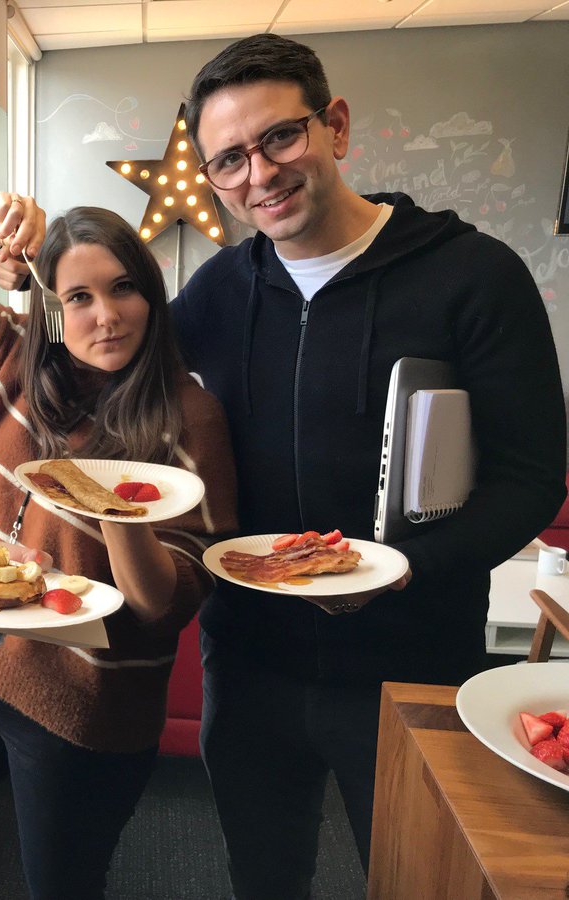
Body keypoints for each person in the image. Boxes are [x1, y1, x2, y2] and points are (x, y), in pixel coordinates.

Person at [171, 33, 568, 899]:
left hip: (413, 656)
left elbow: (534, 476)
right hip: (249, 662)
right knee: (263, 876)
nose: (259, 175)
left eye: (280, 138)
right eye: (228, 160)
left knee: (421, 876)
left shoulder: (472, 276)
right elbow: (108, 370)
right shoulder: (220, 289)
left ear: (336, 126)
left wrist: (408, 571)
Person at [0, 201, 239, 899]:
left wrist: (111, 504)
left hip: (86, 706)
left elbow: (166, 606)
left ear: (151, 293)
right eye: (78, 297)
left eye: (123, 287)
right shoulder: (7, 355)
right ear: (49, 307)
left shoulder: (189, 417)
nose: (107, 316)